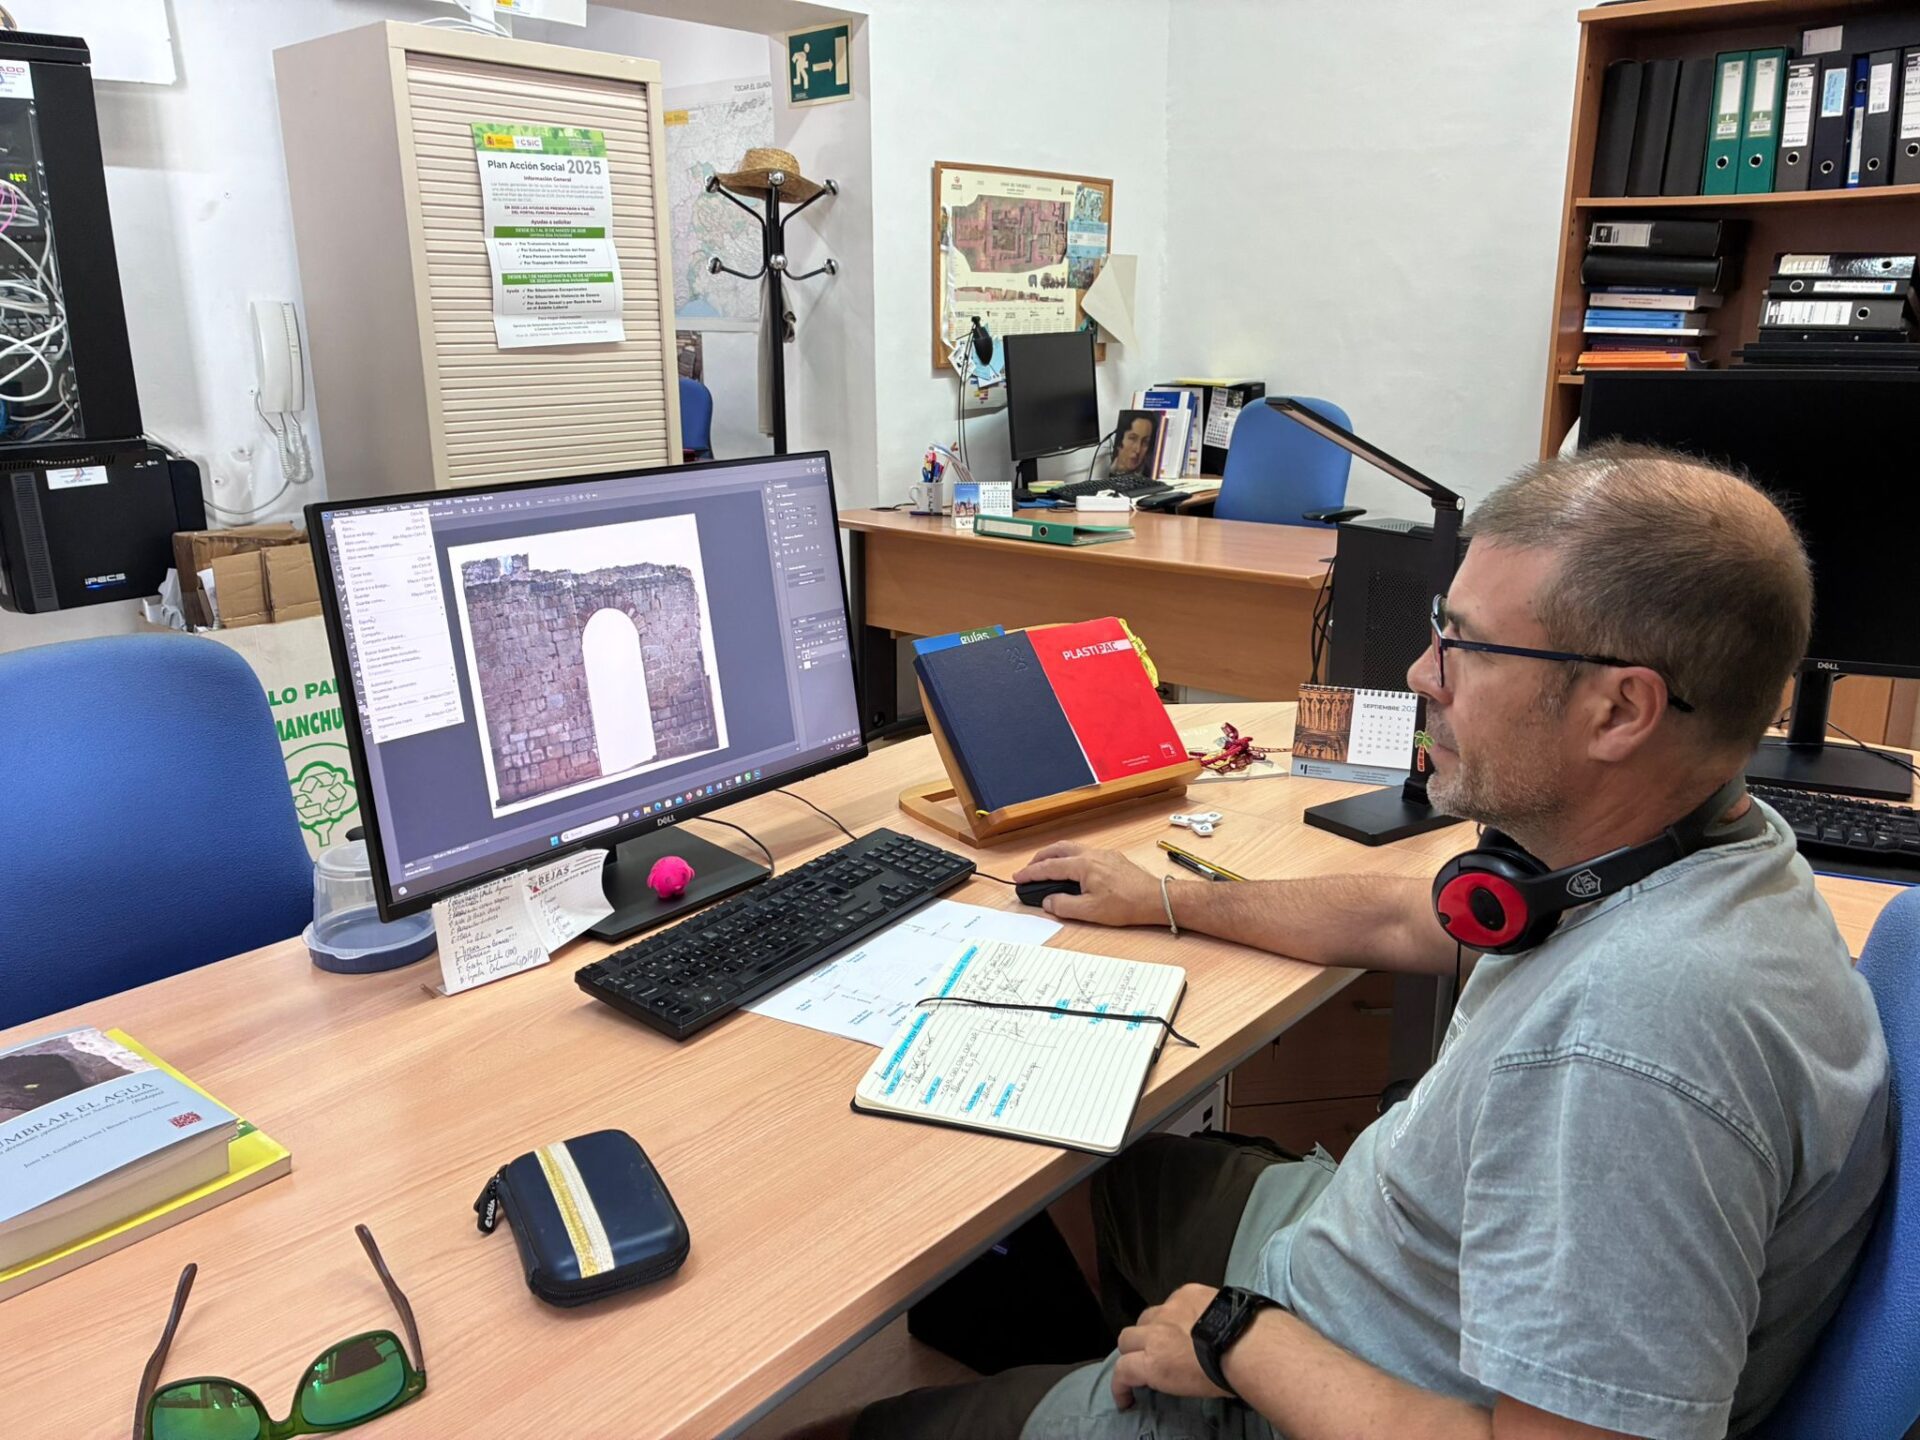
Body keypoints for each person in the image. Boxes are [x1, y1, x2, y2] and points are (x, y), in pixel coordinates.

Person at [852, 444, 1890, 1440]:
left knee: (873, 1428)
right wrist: (1168, 900)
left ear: (1621, 709)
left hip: (1341, 1370)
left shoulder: (1633, 1045)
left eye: (1468, 646)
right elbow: (1405, 917)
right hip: (1386, 1255)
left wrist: (1233, 1339)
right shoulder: (1690, 848)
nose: (1421, 671)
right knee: (1091, 1174)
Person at [1110, 414, 1158, 481]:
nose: (1138, 450)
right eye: (1132, 438)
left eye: (1145, 442)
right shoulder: (1107, 471)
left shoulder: (1150, 477)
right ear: (1120, 440)